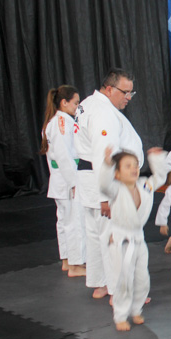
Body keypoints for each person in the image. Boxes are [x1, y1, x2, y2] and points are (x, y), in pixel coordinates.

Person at [75, 68, 143, 299]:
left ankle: (101, 283)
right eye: (125, 92)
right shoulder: (103, 112)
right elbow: (103, 155)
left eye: (131, 93)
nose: (128, 97)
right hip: (105, 181)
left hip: (89, 178)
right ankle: (118, 292)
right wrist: (105, 196)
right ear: (109, 89)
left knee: (96, 234)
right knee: (114, 236)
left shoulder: (88, 104)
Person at [99, 146, 166, 331]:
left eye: (135, 165)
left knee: (142, 278)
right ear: (117, 174)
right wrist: (107, 165)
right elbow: (103, 184)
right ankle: (120, 315)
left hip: (138, 239)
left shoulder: (145, 186)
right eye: (127, 166)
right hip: (120, 240)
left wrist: (156, 159)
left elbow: (160, 177)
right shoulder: (115, 189)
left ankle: (137, 309)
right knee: (123, 280)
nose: (134, 169)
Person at [40, 85, 87, 278]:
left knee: (65, 222)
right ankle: (75, 264)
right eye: (75, 103)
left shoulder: (57, 122)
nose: (77, 107)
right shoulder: (61, 123)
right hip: (67, 179)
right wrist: (74, 182)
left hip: (61, 179)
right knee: (74, 222)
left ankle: (67, 261)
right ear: (64, 102)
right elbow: (63, 155)